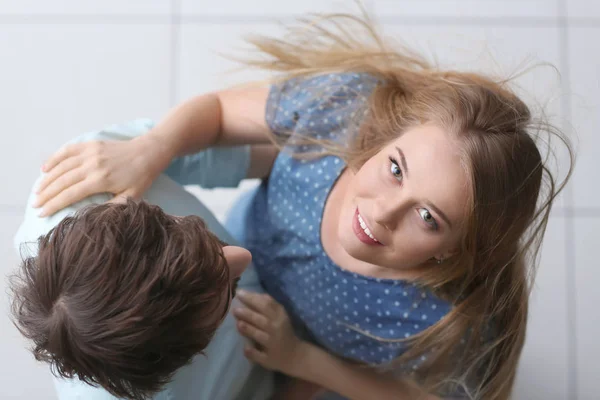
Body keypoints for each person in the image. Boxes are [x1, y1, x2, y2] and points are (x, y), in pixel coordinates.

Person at [30, 11, 574, 400]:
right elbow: (226, 118)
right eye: (394, 170)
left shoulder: (436, 318)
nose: (384, 212)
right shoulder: (333, 120)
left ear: (457, 252)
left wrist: (304, 363)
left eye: (429, 218)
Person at [10, 119, 275, 400]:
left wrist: (159, 145)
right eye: (222, 295)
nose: (240, 255)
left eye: (180, 226)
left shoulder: (81, 174)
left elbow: (251, 151)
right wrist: (299, 365)